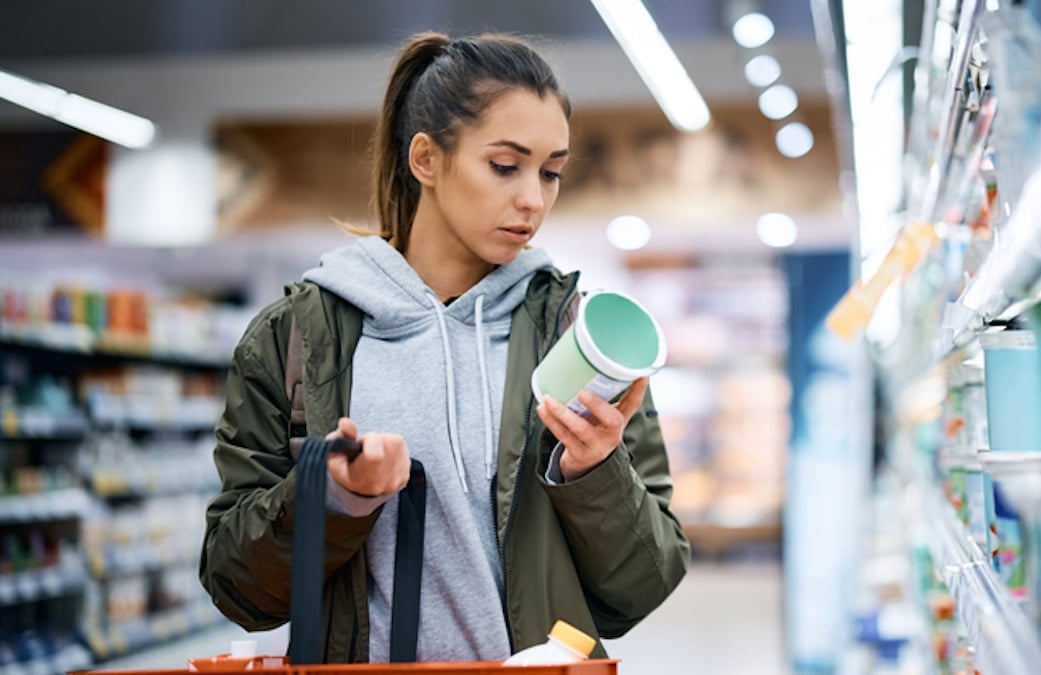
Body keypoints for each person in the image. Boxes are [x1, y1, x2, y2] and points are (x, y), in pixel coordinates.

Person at [199, 31, 691, 664]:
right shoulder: (295, 339)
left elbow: (642, 588)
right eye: (505, 166)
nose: (532, 199)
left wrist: (594, 474)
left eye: (552, 172)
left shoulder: (579, 339)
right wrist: (337, 497)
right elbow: (239, 590)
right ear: (426, 159)